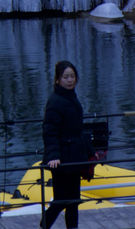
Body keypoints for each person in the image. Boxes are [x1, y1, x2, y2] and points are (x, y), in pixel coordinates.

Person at [41, 60, 90, 229]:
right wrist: (53, 155)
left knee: (74, 201)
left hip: (75, 156)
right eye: (66, 77)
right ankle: (44, 225)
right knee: (62, 200)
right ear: (58, 80)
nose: (70, 80)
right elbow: (49, 131)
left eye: (72, 76)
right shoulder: (55, 101)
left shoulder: (71, 97)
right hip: (62, 159)